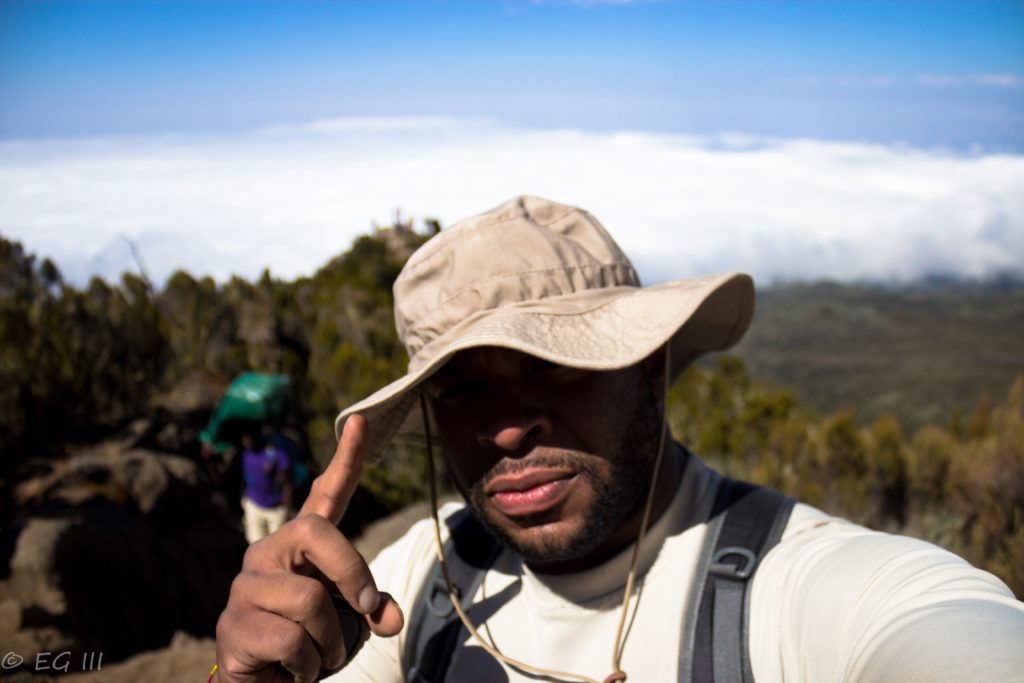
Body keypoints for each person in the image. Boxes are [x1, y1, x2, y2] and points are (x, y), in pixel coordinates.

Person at [212, 196, 1024, 682]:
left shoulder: (801, 593)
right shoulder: (414, 586)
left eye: (558, 364)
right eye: (461, 387)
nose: (505, 425)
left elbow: (948, 635)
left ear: (653, 366)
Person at [239, 427, 293, 544]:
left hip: (276, 509)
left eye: (250, 436)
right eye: (244, 437)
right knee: (256, 547)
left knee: (277, 548)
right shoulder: (243, 453)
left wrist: (287, 513)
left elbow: (286, 484)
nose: (247, 440)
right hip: (254, 505)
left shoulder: (275, 453)